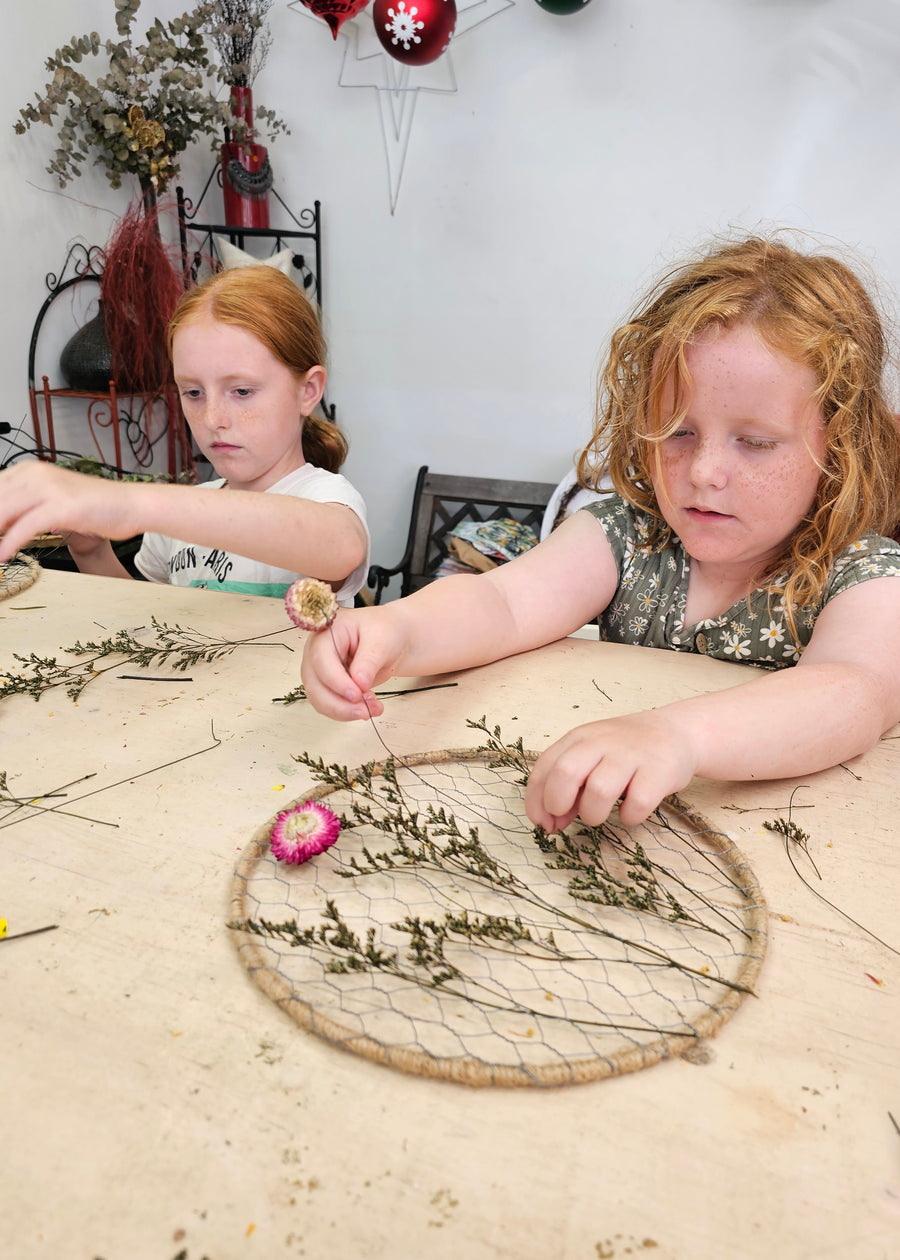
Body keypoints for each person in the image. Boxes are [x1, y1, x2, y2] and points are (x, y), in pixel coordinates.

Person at [301, 234, 900, 830]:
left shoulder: (865, 574)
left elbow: (853, 691)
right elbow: (503, 602)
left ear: (841, 447)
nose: (703, 473)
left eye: (756, 442)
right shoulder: (631, 535)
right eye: (678, 431)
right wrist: (395, 631)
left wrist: (675, 736)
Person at [0, 266, 369, 603]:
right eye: (193, 392)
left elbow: (341, 546)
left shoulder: (323, 497)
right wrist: (91, 552)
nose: (212, 418)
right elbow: (151, 619)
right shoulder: (179, 517)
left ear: (308, 390)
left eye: (242, 391)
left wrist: (132, 502)